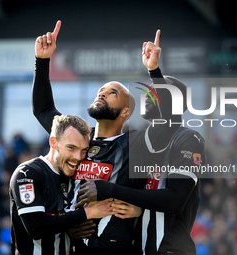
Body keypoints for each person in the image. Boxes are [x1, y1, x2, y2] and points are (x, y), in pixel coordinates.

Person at [32, 21, 184, 254]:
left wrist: (154, 70)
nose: (102, 93)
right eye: (101, 91)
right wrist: (42, 61)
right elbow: (43, 110)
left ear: (125, 112)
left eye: (113, 93)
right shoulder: (76, 138)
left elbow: (171, 119)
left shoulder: (135, 144)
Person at [75, 35, 206, 255]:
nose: (147, 94)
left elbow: (174, 200)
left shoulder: (189, 139)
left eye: (156, 91)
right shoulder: (140, 142)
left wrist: (154, 70)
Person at [9, 114, 116, 255]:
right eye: (71, 148)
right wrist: (86, 213)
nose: (78, 157)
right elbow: (35, 227)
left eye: (83, 150)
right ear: (53, 142)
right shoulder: (27, 173)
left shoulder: (75, 174)